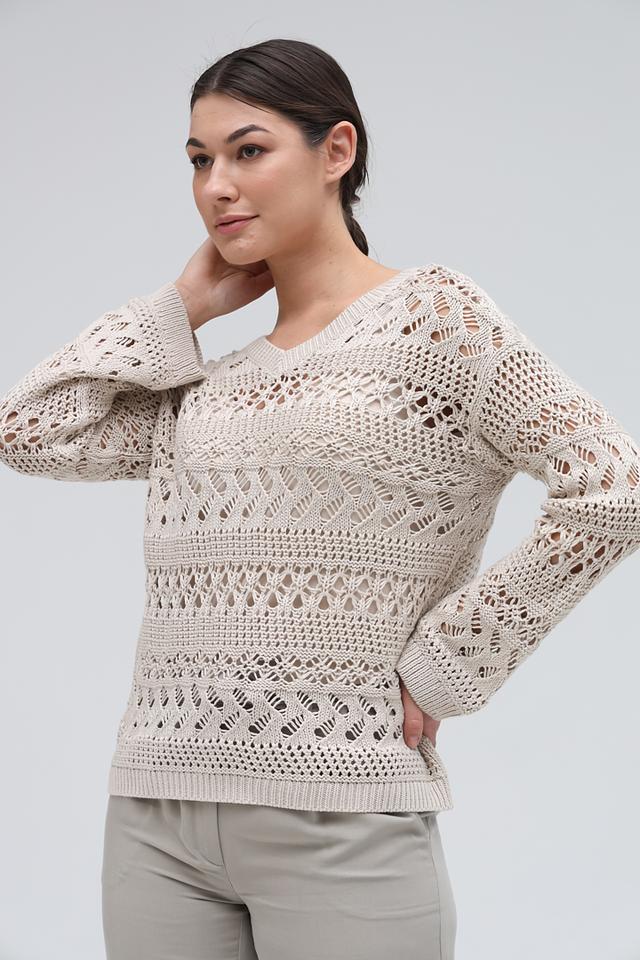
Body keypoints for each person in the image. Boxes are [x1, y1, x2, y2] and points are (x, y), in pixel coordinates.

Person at [1, 37, 638, 960]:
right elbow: (30, 431)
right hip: (156, 819)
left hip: (344, 814)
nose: (217, 185)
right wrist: (181, 307)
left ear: (336, 150)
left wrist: (453, 657)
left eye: (248, 151)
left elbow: (614, 485)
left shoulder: (436, 322)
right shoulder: (209, 385)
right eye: (199, 160)